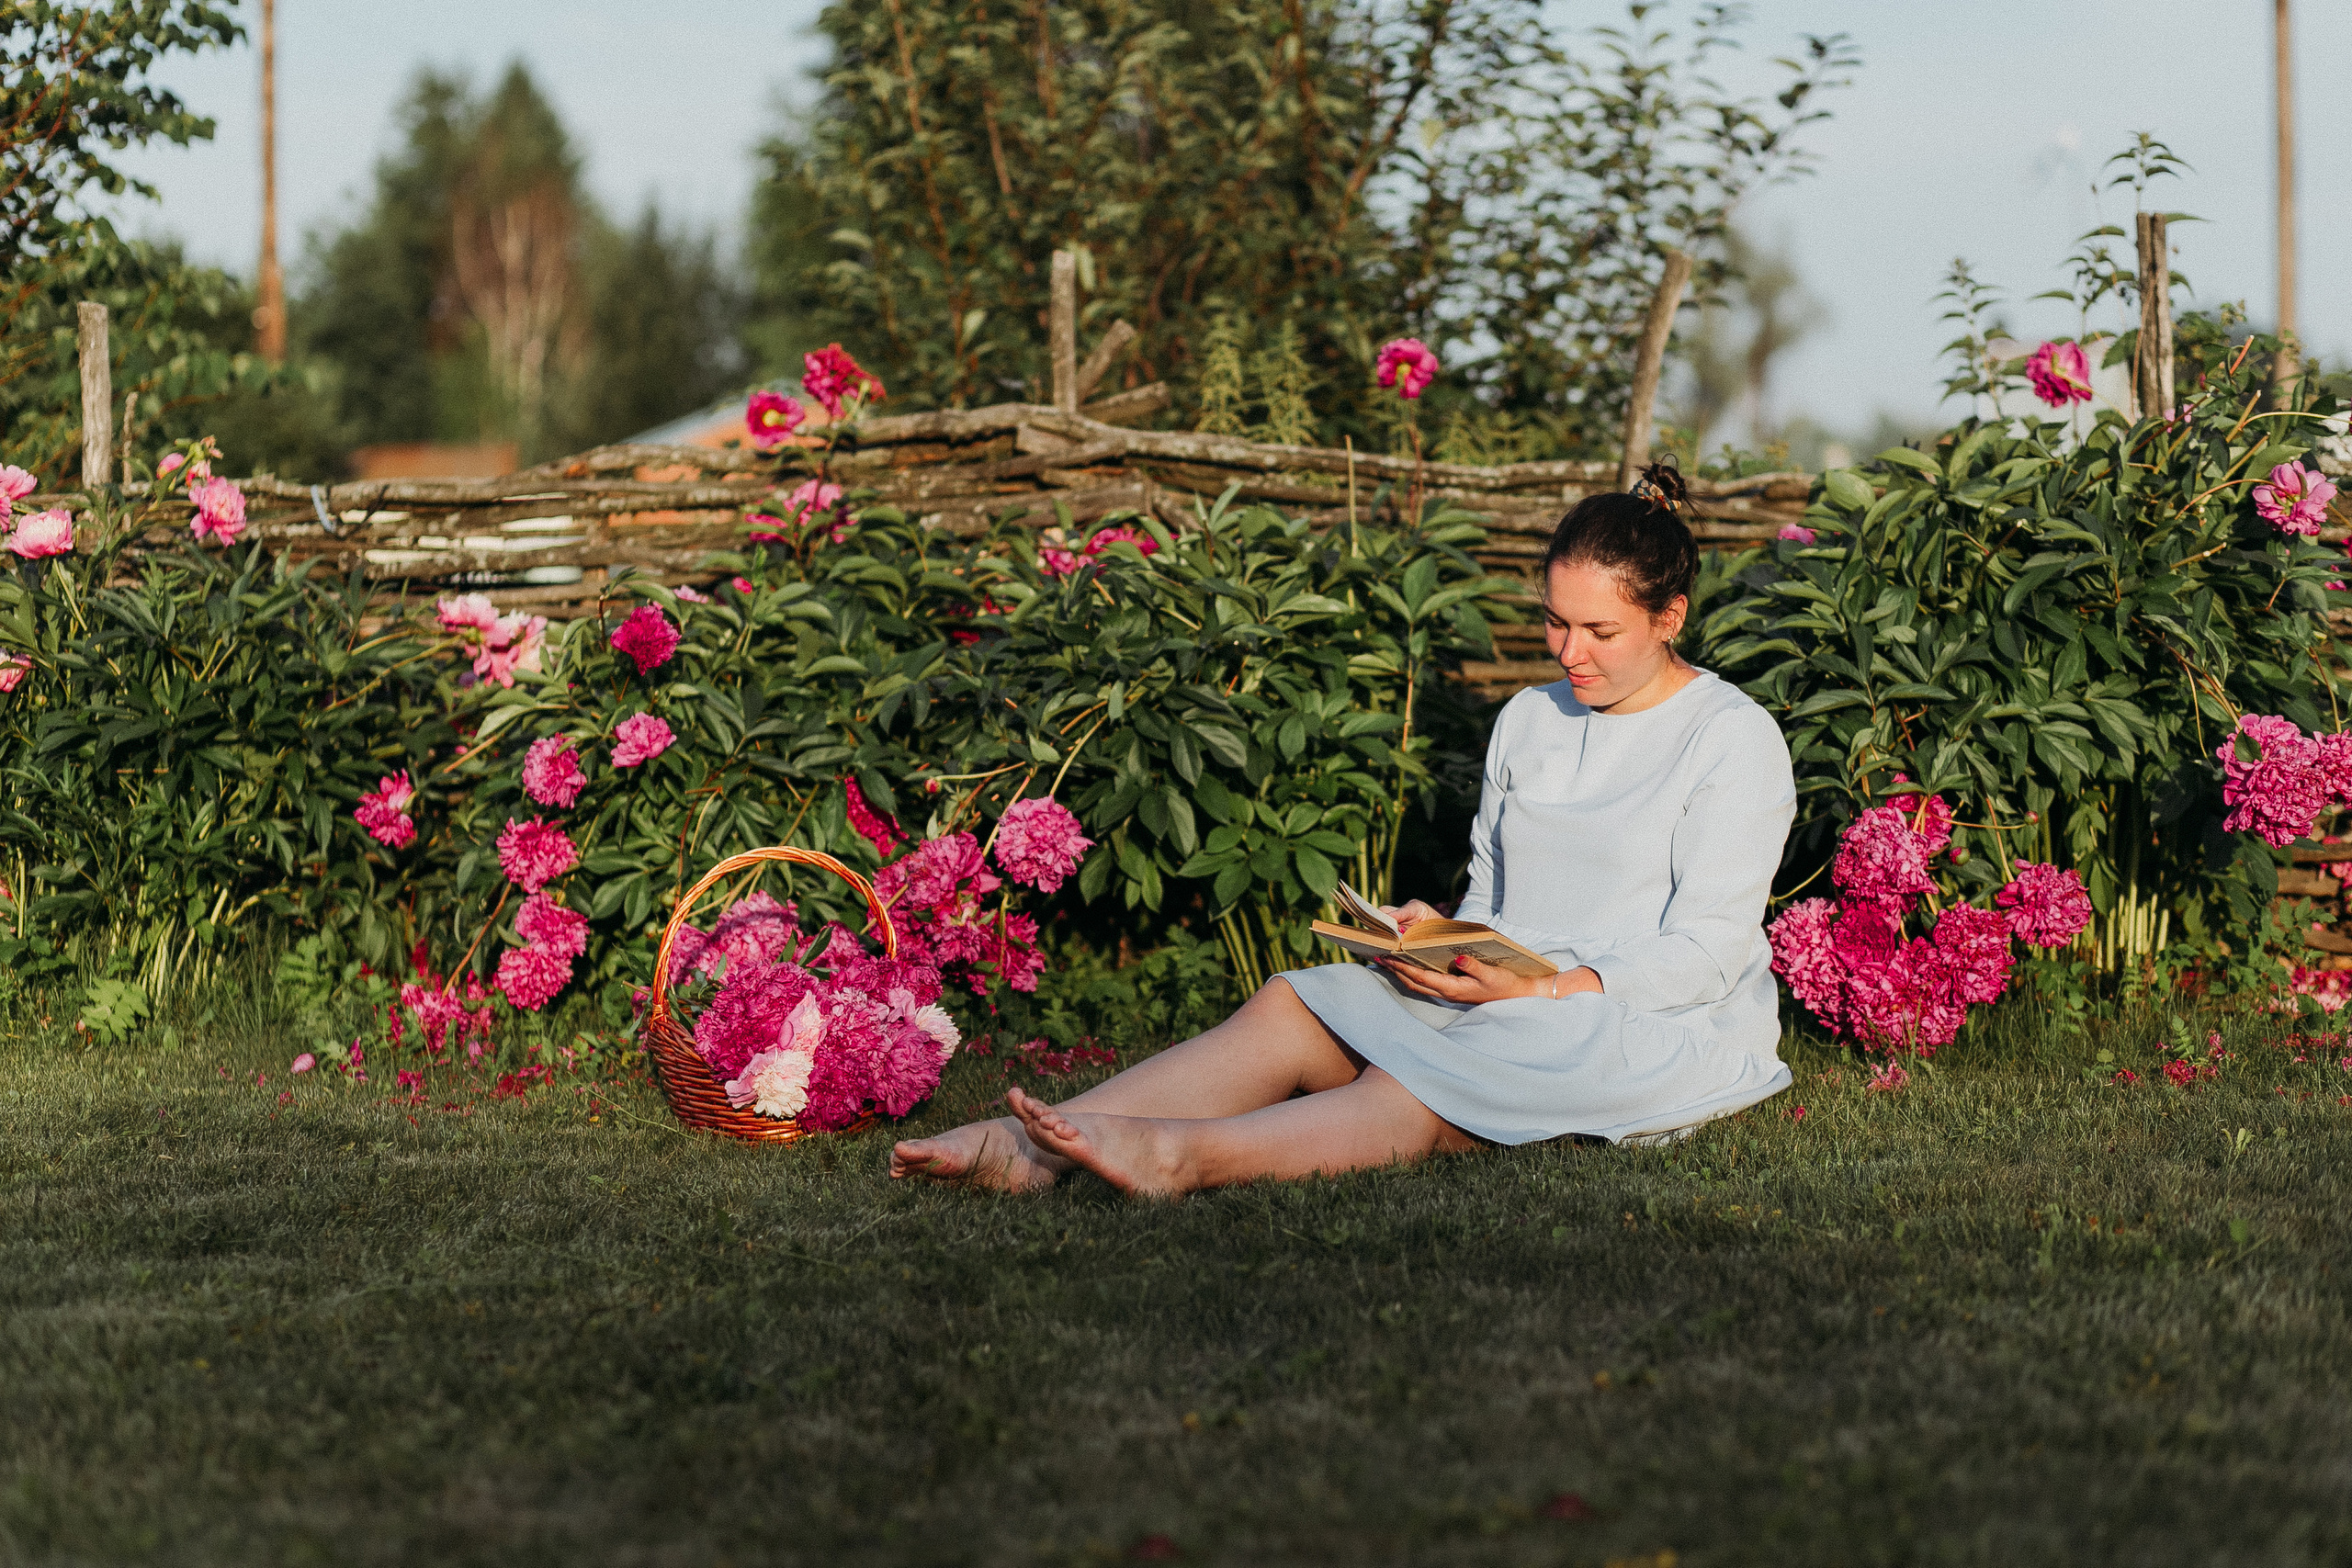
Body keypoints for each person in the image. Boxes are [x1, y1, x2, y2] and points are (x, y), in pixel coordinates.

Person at [890, 463, 1796, 1196]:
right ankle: (1031, 1148)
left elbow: (1711, 948)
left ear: (1669, 616)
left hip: (1648, 1016)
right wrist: (1444, 942)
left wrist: (1548, 991)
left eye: (1598, 630)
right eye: (1554, 623)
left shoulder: (1731, 736)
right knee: (1300, 997)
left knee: (1456, 1065)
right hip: (1508, 987)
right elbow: (1494, 899)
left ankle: (1176, 1156)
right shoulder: (1530, 717)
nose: (1568, 653)